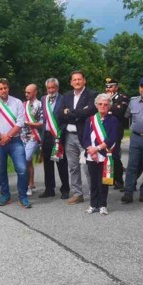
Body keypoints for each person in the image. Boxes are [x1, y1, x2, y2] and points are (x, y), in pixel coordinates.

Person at [0, 78, 30, 208]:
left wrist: (9, 136)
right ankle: (5, 195)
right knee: (1, 170)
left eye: (5, 88)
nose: (3, 90)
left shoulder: (17, 102)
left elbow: (20, 122)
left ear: (8, 88)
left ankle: (23, 197)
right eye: (0, 89)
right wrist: (1, 135)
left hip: (15, 141)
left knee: (22, 169)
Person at [57, 70, 97, 205]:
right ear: (71, 82)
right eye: (74, 80)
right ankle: (77, 194)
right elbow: (60, 114)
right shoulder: (67, 96)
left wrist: (69, 113)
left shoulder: (91, 95)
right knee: (73, 167)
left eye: (79, 79)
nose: (77, 82)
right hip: (69, 136)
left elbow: (90, 111)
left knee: (88, 166)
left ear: (84, 80)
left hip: (85, 136)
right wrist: (78, 113)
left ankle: (94, 193)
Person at [82, 93, 119, 215]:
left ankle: (103, 205)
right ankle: (93, 204)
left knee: (103, 181)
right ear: (96, 105)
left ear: (109, 106)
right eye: (100, 104)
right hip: (91, 155)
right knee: (93, 181)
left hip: (105, 154)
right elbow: (85, 138)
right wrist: (90, 150)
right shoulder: (90, 120)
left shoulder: (113, 120)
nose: (103, 106)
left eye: (106, 104)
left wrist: (97, 149)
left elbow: (111, 138)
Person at [39, 78, 70, 199]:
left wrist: (61, 132)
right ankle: (49, 189)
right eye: (49, 88)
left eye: (53, 87)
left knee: (61, 163)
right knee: (47, 164)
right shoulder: (43, 99)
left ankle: (65, 189)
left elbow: (67, 118)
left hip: (58, 135)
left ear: (57, 88)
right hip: (46, 135)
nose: (51, 90)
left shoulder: (64, 99)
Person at [105, 78, 129, 190]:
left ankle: (118, 180)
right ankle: (108, 178)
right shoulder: (102, 97)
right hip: (104, 129)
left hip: (116, 130)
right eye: (107, 86)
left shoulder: (122, 98)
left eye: (111, 86)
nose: (108, 88)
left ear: (116, 87)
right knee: (104, 155)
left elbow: (119, 112)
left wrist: (109, 103)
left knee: (114, 155)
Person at [21, 84, 42, 196]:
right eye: (25, 92)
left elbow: (42, 122)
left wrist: (29, 123)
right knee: (28, 162)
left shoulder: (40, 104)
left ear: (35, 92)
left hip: (34, 136)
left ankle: (26, 186)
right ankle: (31, 184)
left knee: (26, 159)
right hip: (22, 136)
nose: (26, 94)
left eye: (29, 92)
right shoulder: (23, 104)